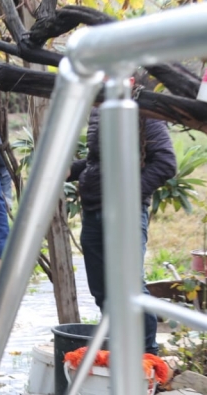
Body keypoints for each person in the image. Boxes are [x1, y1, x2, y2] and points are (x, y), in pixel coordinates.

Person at [69, 107, 177, 355]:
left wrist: (125, 196)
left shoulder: (142, 111)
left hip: (125, 215)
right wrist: (72, 170)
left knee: (130, 288)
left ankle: (148, 355)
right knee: (102, 290)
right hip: (94, 210)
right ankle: (120, 350)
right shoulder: (99, 110)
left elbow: (165, 163)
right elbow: (97, 161)